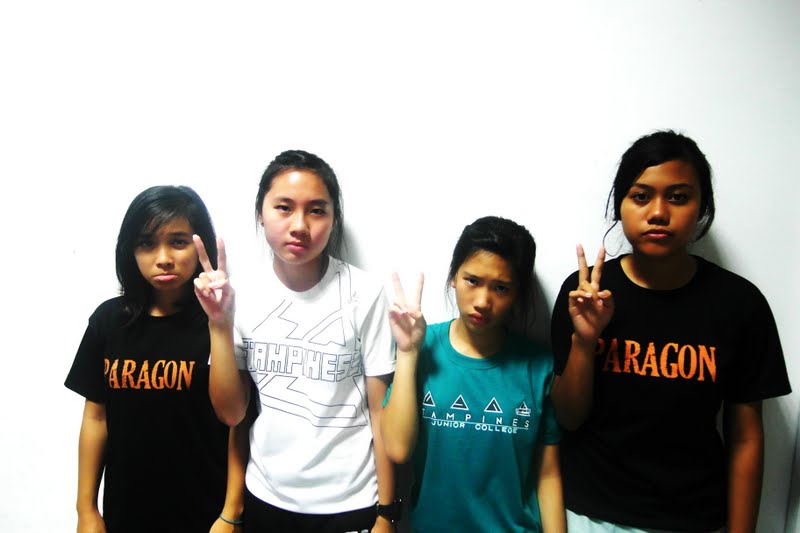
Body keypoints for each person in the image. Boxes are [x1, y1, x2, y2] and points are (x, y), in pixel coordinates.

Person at [550, 130, 792, 533]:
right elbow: (568, 418)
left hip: (693, 520)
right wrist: (585, 340)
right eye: (641, 196)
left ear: (701, 208)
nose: (658, 213)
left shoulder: (739, 304)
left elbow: (746, 438)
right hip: (589, 516)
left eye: (678, 197)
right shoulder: (586, 294)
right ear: (620, 204)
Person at [193, 149, 398, 532]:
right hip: (266, 498)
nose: (300, 225)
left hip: (351, 501)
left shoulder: (365, 293)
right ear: (261, 212)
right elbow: (232, 415)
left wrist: (387, 513)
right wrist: (219, 325)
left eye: (317, 211)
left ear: (334, 219)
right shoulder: (238, 295)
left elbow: (380, 412)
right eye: (284, 208)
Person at [65, 185, 245, 533]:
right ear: (130, 250)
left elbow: (237, 423)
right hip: (125, 512)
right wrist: (86, 509)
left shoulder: (221, 322)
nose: (163, 257)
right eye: (147, 243)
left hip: (205, 513)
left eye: (178, 242)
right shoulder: (109, 321)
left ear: (200, 245)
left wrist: (231, 513)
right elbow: (96, 418)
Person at [382, 216, 565, 533]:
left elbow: (547, 474)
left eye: (501, 288)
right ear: (454, 276)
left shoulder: (538, 366)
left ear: (518, 293)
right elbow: (397, 449)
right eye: (473, 281)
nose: (482, 302)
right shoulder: (422, 347)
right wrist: (408, 353)